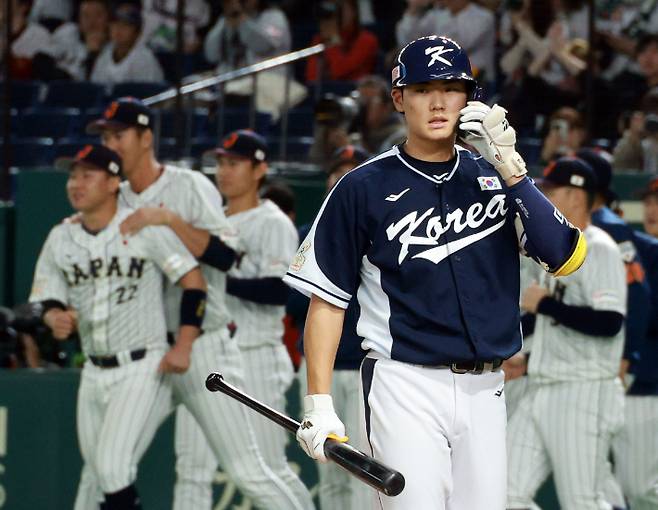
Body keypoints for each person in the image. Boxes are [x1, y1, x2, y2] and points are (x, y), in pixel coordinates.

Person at [284, 35, 586, 509]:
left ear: (471, 98)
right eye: (425, 88)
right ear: (400, 99)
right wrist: (319, 402)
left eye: (452, 87)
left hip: (488, 386)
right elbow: (326, 301)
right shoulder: (361, 187)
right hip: (405, 384)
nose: (440, 101)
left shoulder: (496, 178)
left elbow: (565, 256)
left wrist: (512, 169)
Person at [87, 97, 309, 510]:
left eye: (117, 135)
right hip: (151, 351)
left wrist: (172, 225)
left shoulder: (200, 194)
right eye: (105, 136)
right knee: (113, 467)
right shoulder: (111, 195)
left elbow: (258, 278)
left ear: (145, 137)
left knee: (255, 470)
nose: (109, 143)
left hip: (218, 346)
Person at [29, 144, 208, 510]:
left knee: (111, 469)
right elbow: (47, 298)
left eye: (87, 175)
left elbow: (194, 282)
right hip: (93, 370)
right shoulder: (61, 236)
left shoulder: (140, 227)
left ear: (114, 182)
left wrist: (185, 343)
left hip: (141, 364)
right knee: (95, 478)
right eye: (73, 175)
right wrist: (53, 317)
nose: (76, 183)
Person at [506, 157, 627, 510]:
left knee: (583, 502)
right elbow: (552, 325)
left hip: (583, 391)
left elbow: (610, 323)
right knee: (503, 493)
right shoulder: (555, 251)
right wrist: (525, 360)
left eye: (551, 191)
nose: (542, 199)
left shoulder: (599, 247)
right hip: (542, 386)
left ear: (575, 196)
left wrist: (545, 306)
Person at [213, 129, 313, 509]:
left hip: (255, 353)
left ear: (259, 169)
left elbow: (278, 291)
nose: (224, 171)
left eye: (234, 163)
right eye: (221, 163)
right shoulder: (211, 219)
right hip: (213, 354)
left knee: (270, 466)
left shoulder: (272, 221)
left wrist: (216, 279)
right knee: (193, 465)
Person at [293, 144, 373, 510]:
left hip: (366, 367)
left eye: (350, 171)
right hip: (321, 370)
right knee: (328, 474)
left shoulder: (385, 229)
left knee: (364, 476)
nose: (340, 179)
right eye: (335, 173)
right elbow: (295, 303)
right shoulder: (312, 232)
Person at [613, 178, 658, 509]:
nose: (653, 209)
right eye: (650, 201)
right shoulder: (636, 248)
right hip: (625, 382)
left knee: (641, 489)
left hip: (648, 384)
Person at [305, 0, 379, 82]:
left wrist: (332, 41)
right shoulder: (320, 38)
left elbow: (340, 72)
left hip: (356, 90)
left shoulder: (367, 40)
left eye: (340, 8)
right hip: (326, 92)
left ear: (353, 11)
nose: (335, 14)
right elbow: (311, 78)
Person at [90, 3, 164, 84]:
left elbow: (148, 93)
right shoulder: (105, 54)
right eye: (115, 24)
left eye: (125, 25)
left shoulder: (144, 58)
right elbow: (95, 88)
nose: (118, 29)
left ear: (137, 32)